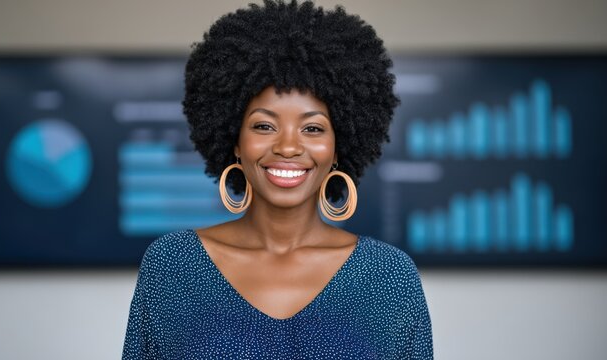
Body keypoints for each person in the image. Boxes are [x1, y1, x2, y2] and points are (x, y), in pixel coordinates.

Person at [122, 0, 433, 358]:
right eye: (264, 126)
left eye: (313, 128)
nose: (288, 147)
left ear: (338, 147)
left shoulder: (387, 277)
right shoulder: (173, 266)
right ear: (235, 140)